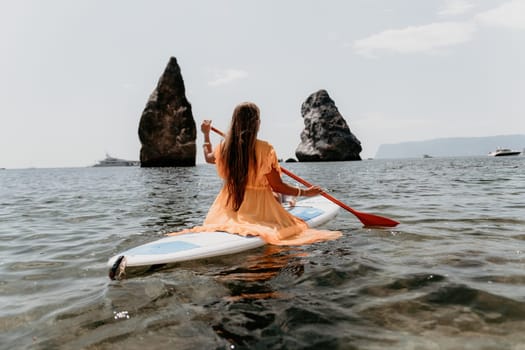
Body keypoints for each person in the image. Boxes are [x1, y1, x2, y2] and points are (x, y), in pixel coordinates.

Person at [169, 102, 341, 245]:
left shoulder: (224, 147)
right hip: (260, 210)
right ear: (256, 123)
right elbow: (278, 185)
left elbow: (208, 158)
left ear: (235, 122)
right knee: (279, 202)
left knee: (274, 195)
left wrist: (206, 135)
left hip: (227, 210)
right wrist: (305, 192)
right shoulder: (265, 149)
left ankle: (286, 202)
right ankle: (289, 202)